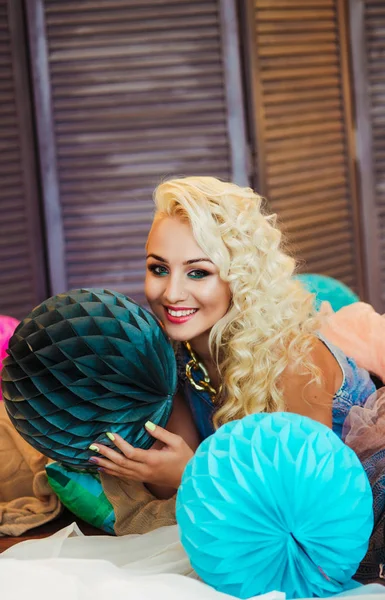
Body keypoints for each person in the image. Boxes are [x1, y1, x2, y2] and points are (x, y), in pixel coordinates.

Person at [87, 176, 376, 499]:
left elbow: (303, 500)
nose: (172, 293)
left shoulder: (295, 360)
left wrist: (192, 472)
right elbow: (165, 487)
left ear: (239, 280)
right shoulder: (177, 354)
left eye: (198, 272)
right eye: (159, 269)